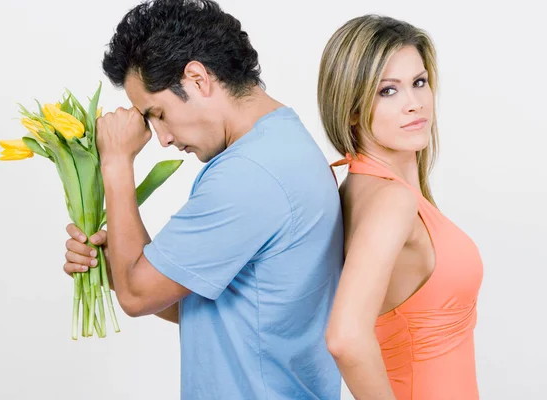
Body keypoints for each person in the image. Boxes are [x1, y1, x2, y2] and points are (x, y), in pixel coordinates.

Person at [63, 0, 343, 398]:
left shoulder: (251, 174)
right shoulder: (279, 146)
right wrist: (114, 268)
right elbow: (203, 307)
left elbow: (138, 295)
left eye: (157, 113)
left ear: (197, 79)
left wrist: (116, 164)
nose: (162, 138)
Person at [318, 15, 484, 399]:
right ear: (352, 108)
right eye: (387, 91)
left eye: (419, 83)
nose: (415, 104)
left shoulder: (360, 188)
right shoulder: (392, 200)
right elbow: (345, 337)